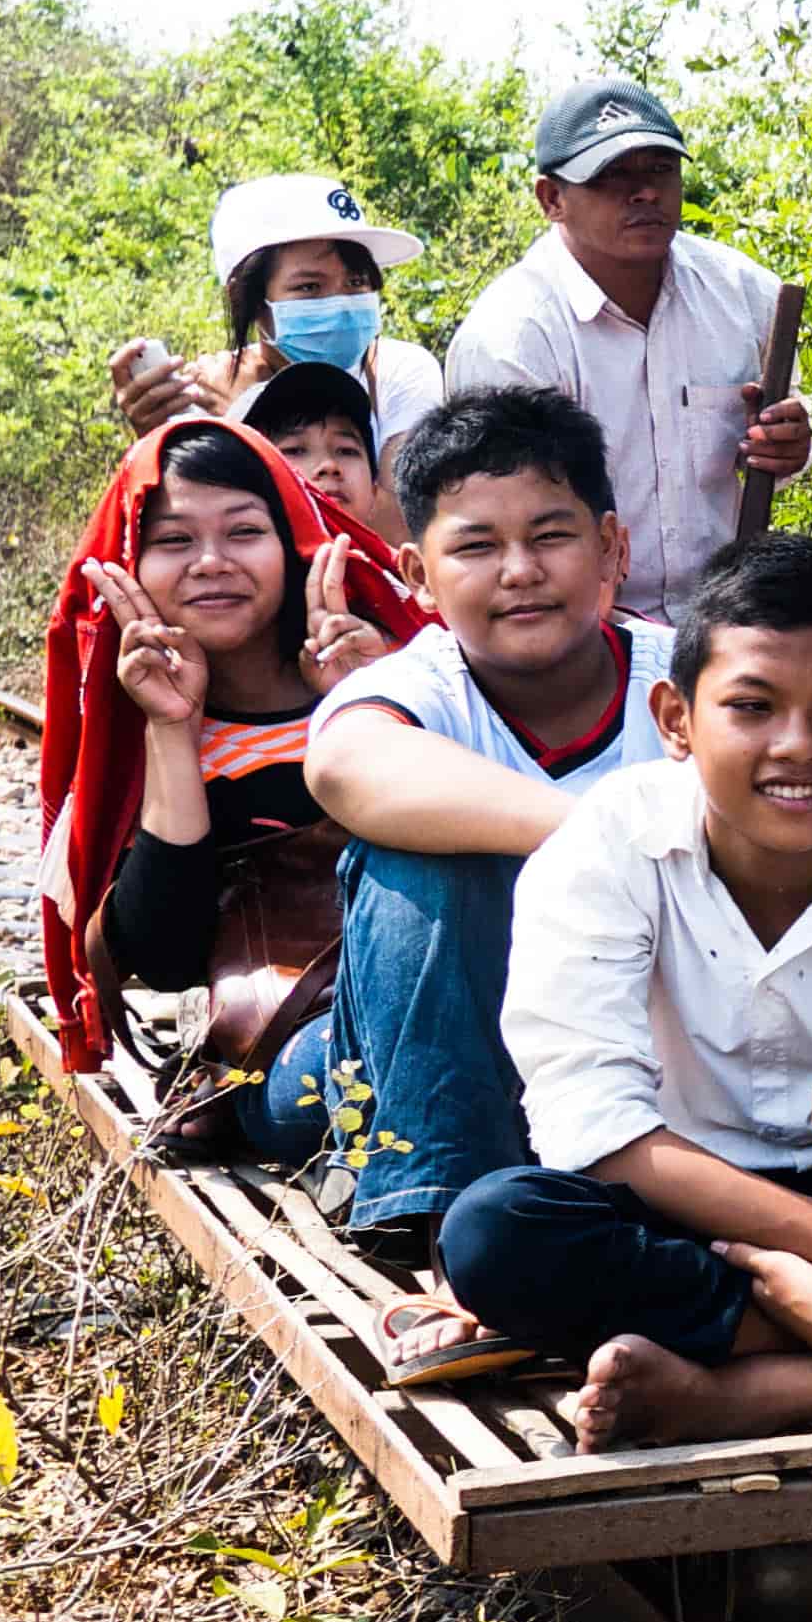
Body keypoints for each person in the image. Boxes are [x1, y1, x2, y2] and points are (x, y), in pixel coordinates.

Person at [437, 537, 812, 1444]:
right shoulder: (611, 842)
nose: (797, 747)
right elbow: (587, 1116)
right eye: (751, 707)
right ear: (676, 719)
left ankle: (771, 1359)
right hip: (705, 1205)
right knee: (498, 1232)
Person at [302, 388, 678, 1276]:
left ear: (612, 548)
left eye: (552, 535)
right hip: (405, 1048)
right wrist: (607, 840)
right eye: (475, 545)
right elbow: (346, 766)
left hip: (620, 1045)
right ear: (418, 576)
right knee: (421, 862)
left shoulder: (690, 678)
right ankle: (443, 1235)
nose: (519, 570)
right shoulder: (417, 684)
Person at [35, 422, 421, 1170]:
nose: (212, 564)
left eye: (244, 531)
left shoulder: (387, 665)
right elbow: (165, 957)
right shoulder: (125, 725)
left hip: (425, 981)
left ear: (292, 542)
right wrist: (173, 730)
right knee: (318, 1085)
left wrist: (374, 708)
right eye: (175, 541)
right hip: (287, 1031)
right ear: (131, 563)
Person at [442, 76, 812, 621]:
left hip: (730, 621)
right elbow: (506, 530)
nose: (644, 192)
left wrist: (787, 447)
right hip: (579, 633)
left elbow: (784, 452)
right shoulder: (510, 335)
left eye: (660, 169)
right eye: (612, 176)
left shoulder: (745, 294)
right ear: (552, 199)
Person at [105, 171, 449, 457]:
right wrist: (153, 442)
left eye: (356, 281)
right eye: (310, 287)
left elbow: (398, 524)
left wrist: (244, 419)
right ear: (250, 300)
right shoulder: (203, 395)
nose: (342, 303)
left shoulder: (400, 374)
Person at [238, 360, 407, 544]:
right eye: (295, 450)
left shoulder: (400, 572)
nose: (328, 465)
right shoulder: (222, 568)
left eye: (346, 451)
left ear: (373, 491)